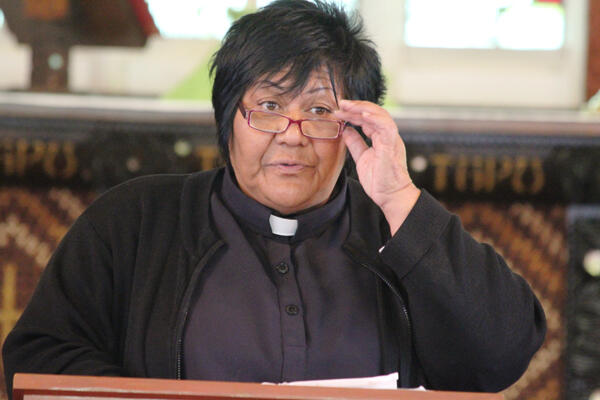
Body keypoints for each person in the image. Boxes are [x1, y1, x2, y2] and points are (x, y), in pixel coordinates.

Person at [2, 0, 546, 396]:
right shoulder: (134, 221)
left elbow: (500, 356)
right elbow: (39, 357)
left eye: (318, 111)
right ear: (228, 121)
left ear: (355, 125)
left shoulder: (394, 228)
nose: (291, 133)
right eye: (267, 106)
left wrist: (400, 196)